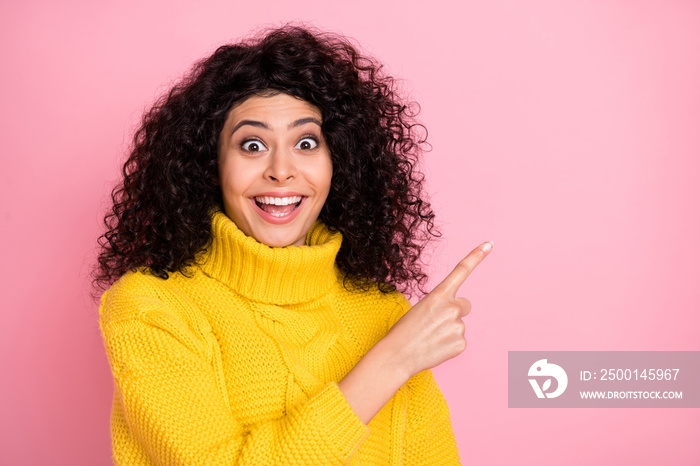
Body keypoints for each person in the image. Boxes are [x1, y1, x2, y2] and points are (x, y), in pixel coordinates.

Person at [95, 25, 492, 465]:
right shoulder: (150, 307)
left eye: (306, 143)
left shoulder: (385, 313)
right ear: (212, 168)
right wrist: (391, 363)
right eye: (252, 145)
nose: (281, 170)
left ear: (337, 162)